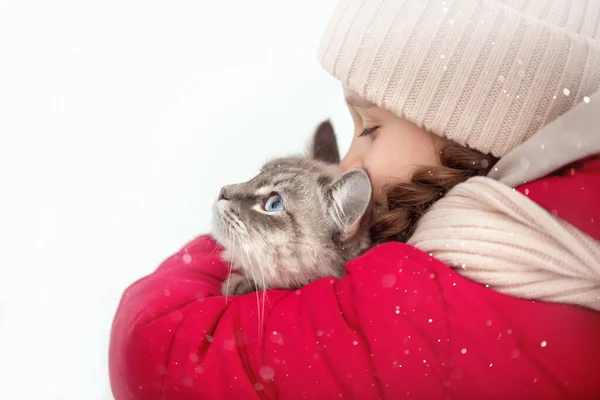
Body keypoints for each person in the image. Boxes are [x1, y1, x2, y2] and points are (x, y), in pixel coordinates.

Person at [109, 0, 600, 398]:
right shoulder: (561, 229)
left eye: (370, 128)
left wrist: (223, 257)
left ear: (471, 136)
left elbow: (158, 351)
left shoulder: (440, 292)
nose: (349, 162)